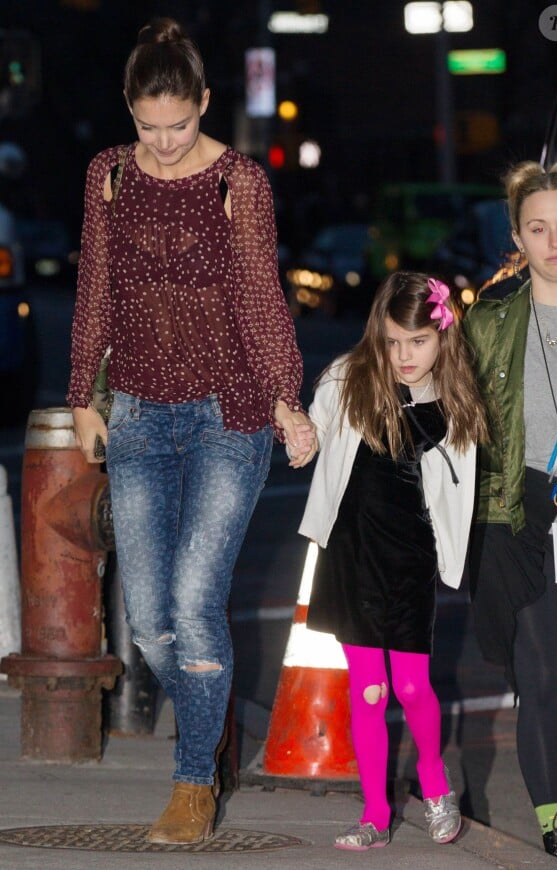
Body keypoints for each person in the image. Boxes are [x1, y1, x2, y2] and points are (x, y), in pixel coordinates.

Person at [66, 17, 316, 846]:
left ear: (205, 104)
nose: (164, 145)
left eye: (180, 125)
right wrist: (81, 395)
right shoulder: (107, 176)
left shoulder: (236, 182)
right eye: (149, 127)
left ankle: (191, 783)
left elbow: (258, 295)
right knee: (150, 625)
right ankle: (212, 720)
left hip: (227, 414)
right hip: (137, 412)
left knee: (196, 605)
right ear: (130, 112)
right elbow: (95, 291)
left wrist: (287, 396)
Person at [298, 270, 488, 850]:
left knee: (409, 686)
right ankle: (375, 814)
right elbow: (312, 430)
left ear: (442, 336)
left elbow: (459, 491)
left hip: (407, 560)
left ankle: (434, 786)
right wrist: (296, 432)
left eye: (418, 342)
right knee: (369, 689)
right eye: (391, 342)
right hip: (349, 555)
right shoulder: (347, 379)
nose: (404, 356)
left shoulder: (453, 402)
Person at [463, 159, 557, 865]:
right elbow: (450, 406)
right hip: (523, 506)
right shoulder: (493, 316)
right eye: (539, 229)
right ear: (518, 236)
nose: (556, 241)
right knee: (543, 673)